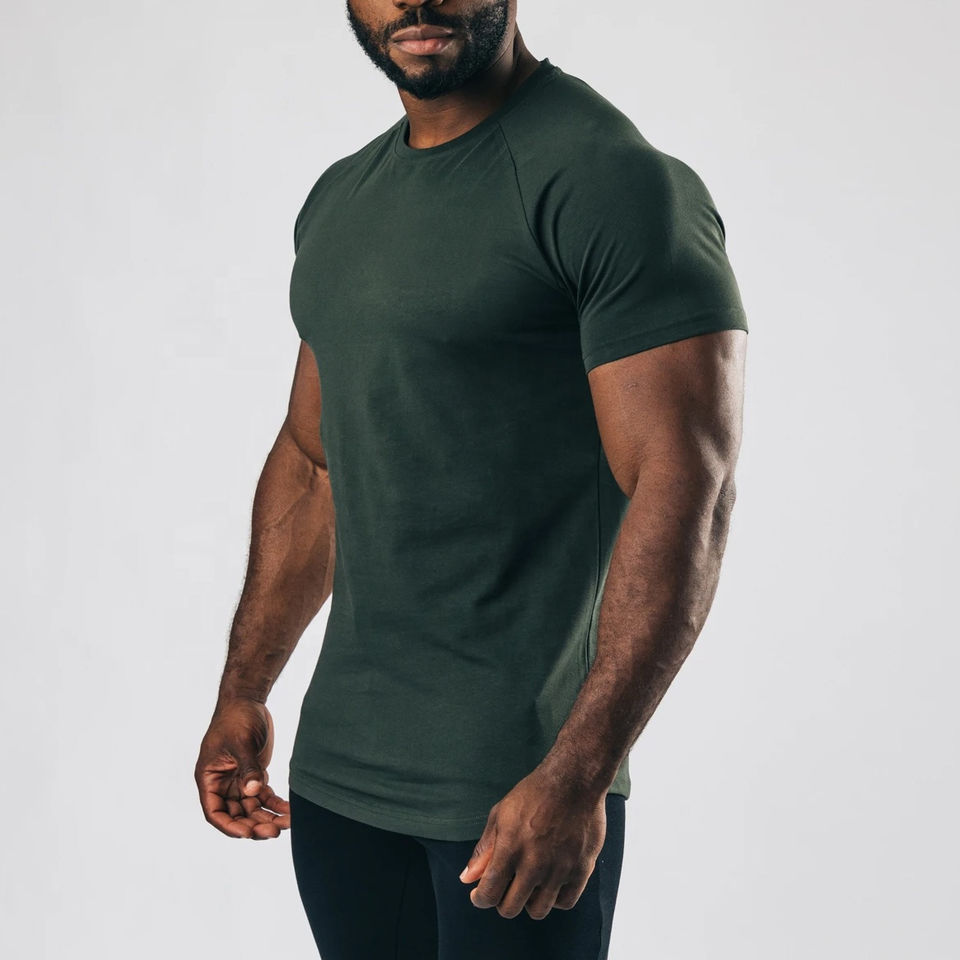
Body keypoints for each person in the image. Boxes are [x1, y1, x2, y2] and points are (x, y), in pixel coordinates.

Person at [194, 1, 749, 957]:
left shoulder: (611, 181)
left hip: (516, 790)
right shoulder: (342, 198)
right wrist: (243, 688)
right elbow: (313, 459)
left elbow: (684, 488)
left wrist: (577, 775)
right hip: (340, 779)